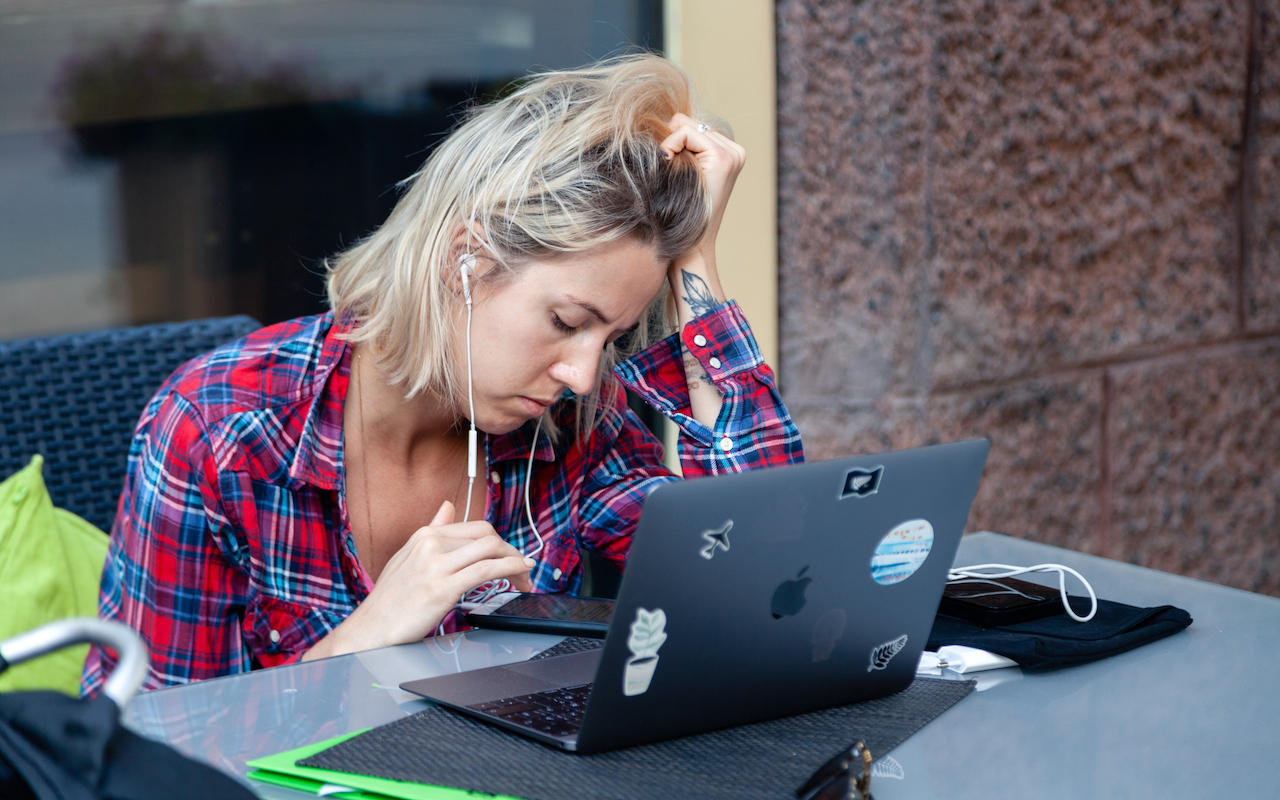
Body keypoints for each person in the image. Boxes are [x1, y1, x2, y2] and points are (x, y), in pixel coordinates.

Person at [83, 54, 804, 692]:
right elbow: (139, 749)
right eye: (565, 321)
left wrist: (696, 264)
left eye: (610, 338)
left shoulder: (575, 424)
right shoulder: (220, 428)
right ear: (466, 257)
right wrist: (364, 643)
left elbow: (757, 589)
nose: (583, 374)